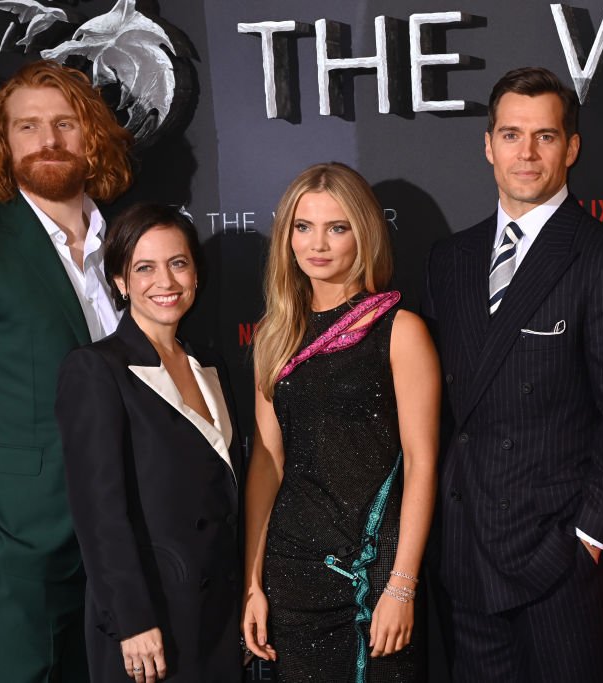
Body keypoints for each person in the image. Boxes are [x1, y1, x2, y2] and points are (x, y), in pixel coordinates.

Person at [423, 66, 603, 682]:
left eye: (545, 136)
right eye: (511, 135)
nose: (527, 153)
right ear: (488, 145)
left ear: (573, 147)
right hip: (464, 560)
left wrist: (589, 541)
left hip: (561, 567)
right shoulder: (449, 259)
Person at [0, 59, 132, 681]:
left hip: (130, 538)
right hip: (18, 546)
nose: (48, 140)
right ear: (4, 142)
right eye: (28, 126)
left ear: (91, 136)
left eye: (65, 123)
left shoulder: (132, 245)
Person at [241, 162, 440, 681]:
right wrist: (253, 583)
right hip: (291, 573)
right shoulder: (275, 336)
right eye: (303, 227)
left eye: (337, 227)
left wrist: (402, 585)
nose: (317, 244)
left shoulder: (400, 330)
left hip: (373, 573)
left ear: (364, 233)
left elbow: (421, 463)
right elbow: (266, 464)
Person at [55, 203, 241, 682]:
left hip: (217, 617)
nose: (166, 281)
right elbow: (99, 512)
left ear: (195, 274)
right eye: (145, 268)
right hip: (148, 622)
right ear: (120, 281)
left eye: (178, 263)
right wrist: (133, 620)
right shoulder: (96, 369)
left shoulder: (211, 365)